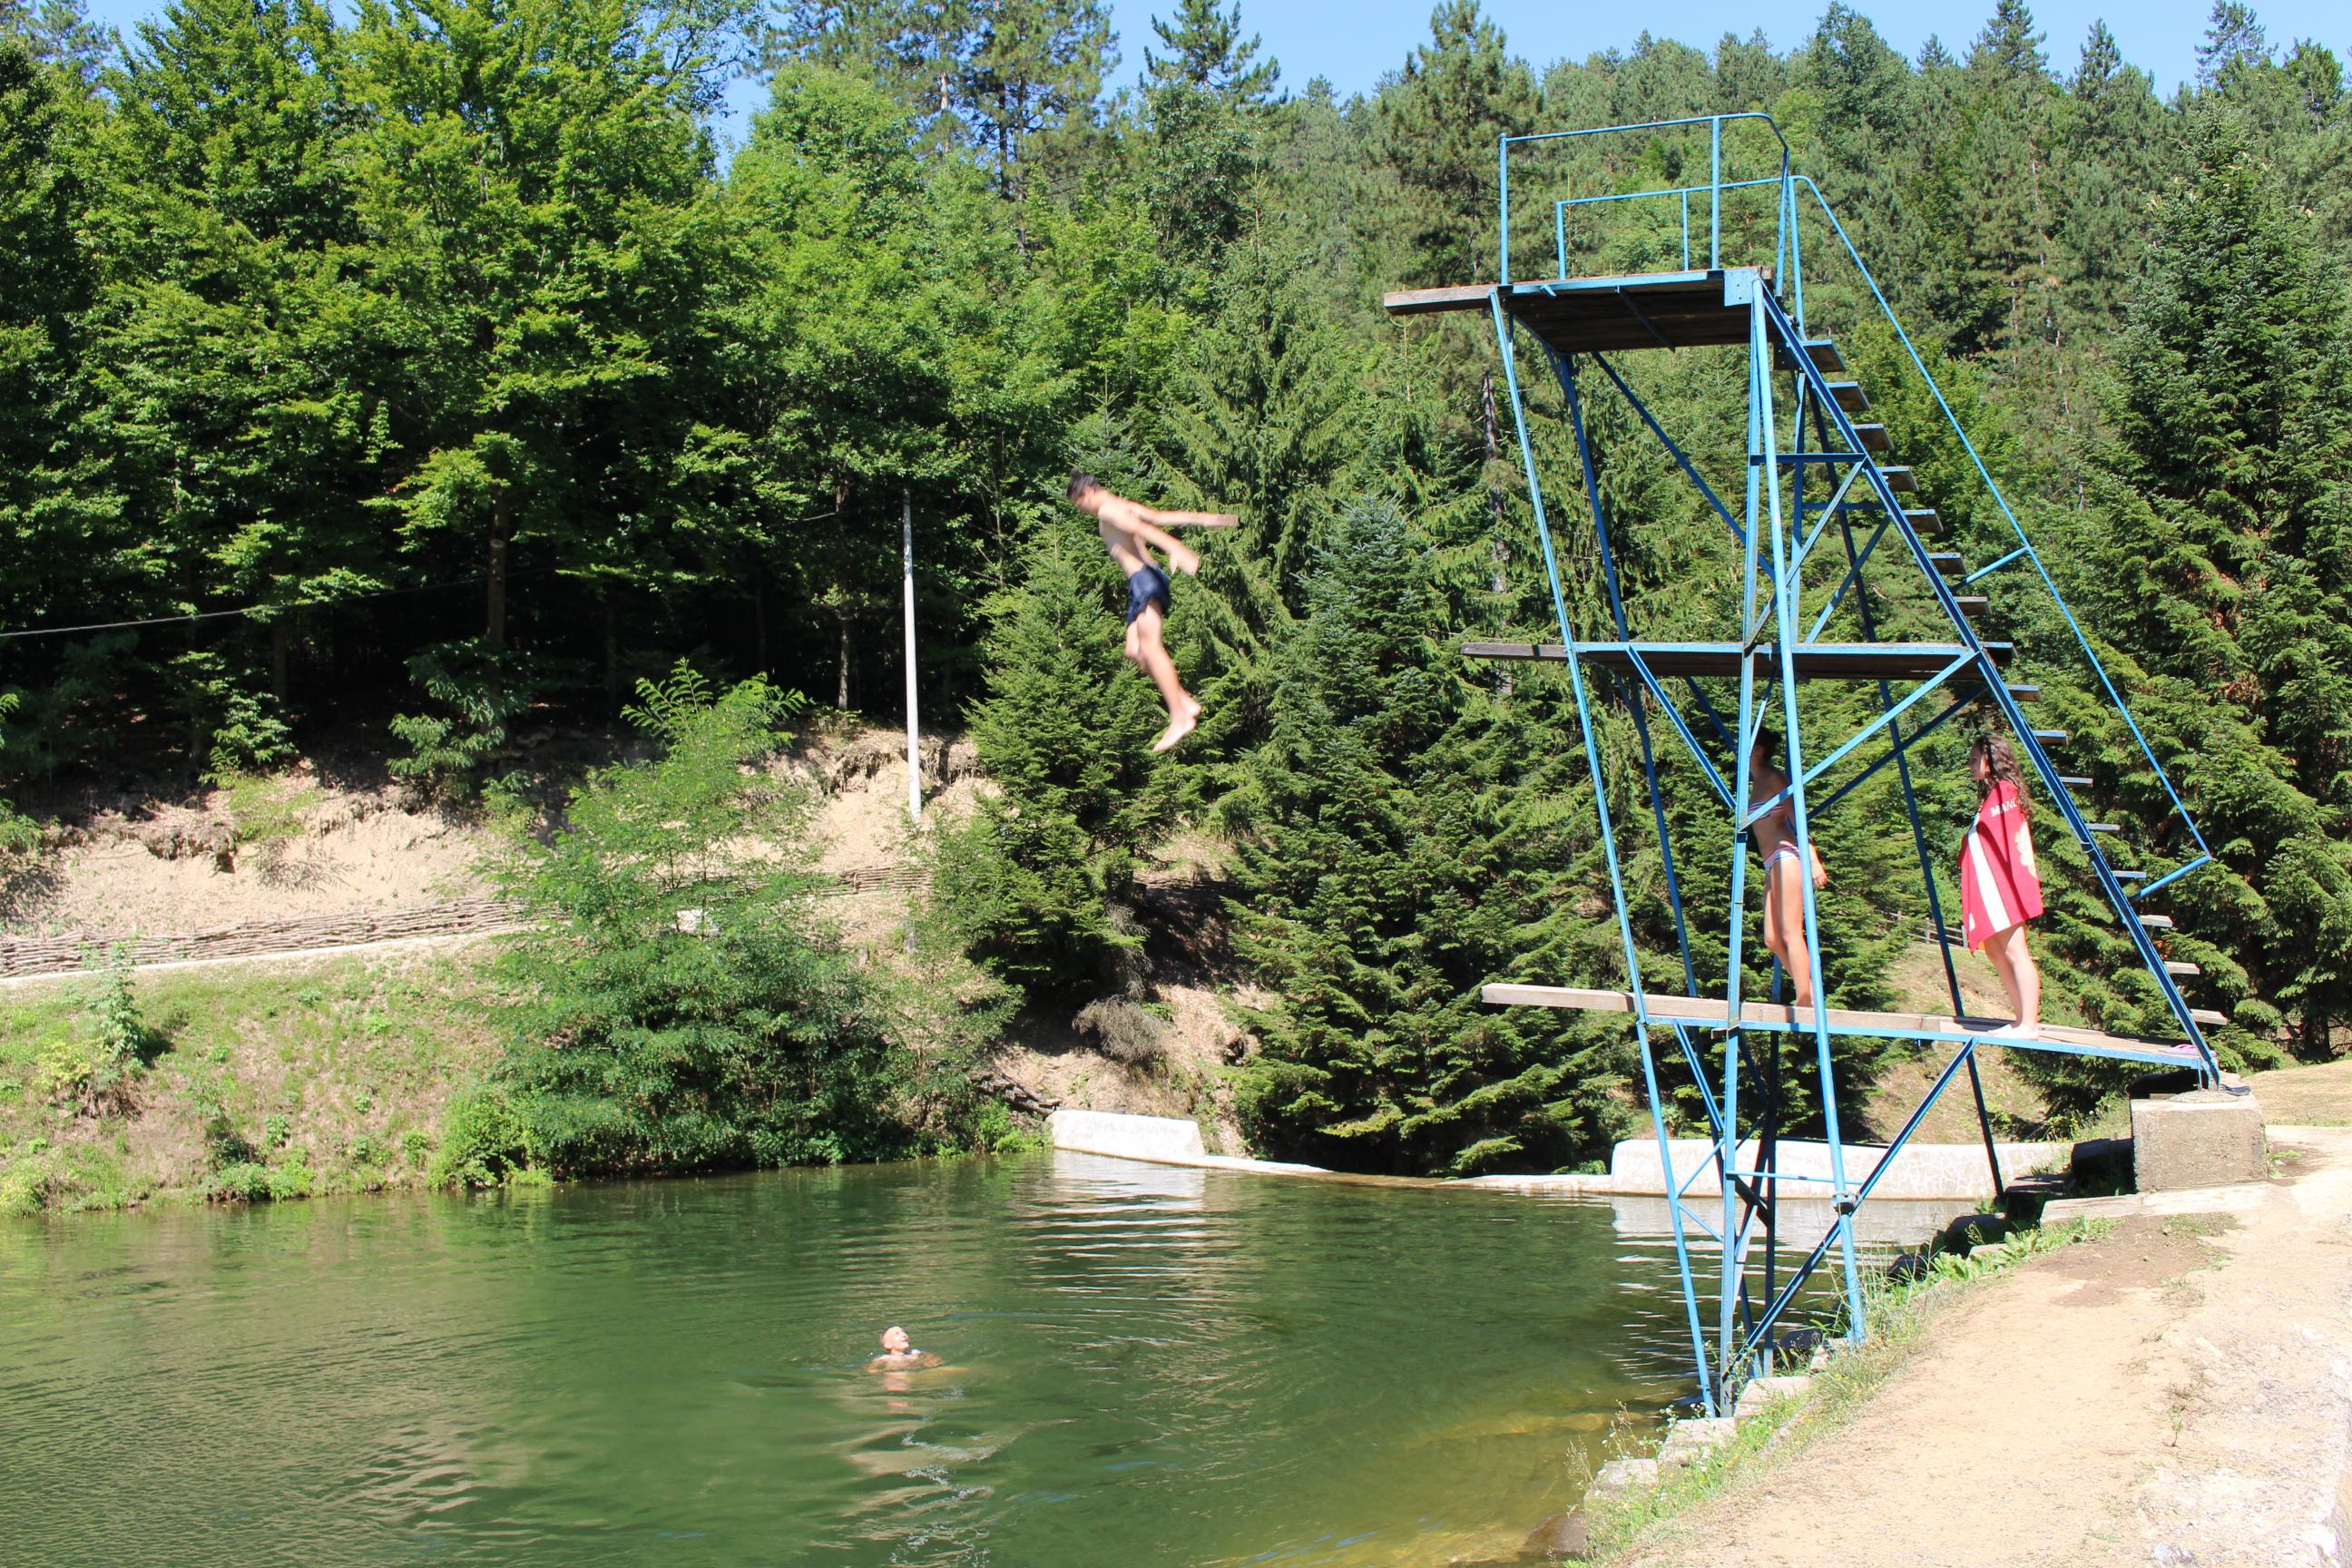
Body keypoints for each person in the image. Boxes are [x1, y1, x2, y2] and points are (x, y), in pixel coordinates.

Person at [1065, 473, 1235, 753]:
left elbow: (1143, 528)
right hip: (1140, 582)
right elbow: (1157, 516)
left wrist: (1177, 548)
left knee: (1152, 648)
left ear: (1088, 493)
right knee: (1134, 650)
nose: (1080, 510)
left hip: (1145, 580)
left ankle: (1180, 717)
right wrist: (1201, 518)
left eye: (1078, 503)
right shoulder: (1118, 503)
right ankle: (1184, 700)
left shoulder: (1108, 509)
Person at [1962, 733, 2044, 1040]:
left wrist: (2012, 891)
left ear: (1991, 760)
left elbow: (2012, 844)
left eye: (1974, 759)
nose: (1970, 765)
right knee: (1996, 951)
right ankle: (2020, 1017)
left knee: (2016, 952)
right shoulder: (1994, 795)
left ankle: (2029, 1024)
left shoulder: (2005, 793)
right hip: (1990, 888)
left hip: (2003, 889)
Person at [1749, 726, 1828, 1008]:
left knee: (1791, 931)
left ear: (1757, 750)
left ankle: (1805, 999)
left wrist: (1813, 858)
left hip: (1787, 855)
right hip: (1771, 863)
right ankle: (1810, 990)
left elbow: (1797, 815)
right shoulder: (1755, 784)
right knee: (1771, 938)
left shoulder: (1773, 778)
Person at [866, 1326, 941, 1373]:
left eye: (903, 1332)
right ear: (888, 1345)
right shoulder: (884, 1358)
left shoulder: (916, 1353)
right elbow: (871, 1371)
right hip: (896, 1375)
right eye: (897, 1334)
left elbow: (935, 1362)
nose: (904, 1335)